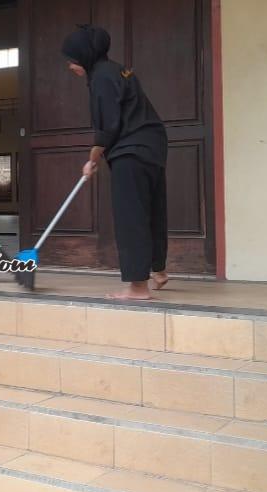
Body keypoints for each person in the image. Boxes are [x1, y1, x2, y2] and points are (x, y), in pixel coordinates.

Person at [62, 25, 169, 300]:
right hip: (152, 146)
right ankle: (158, 271)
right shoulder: (119, 69)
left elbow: (108, 126)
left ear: (85, 56)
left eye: (72, 60)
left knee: (130, 216)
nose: (70, 66)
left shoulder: (101, 78)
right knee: (152, 210)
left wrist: (93, 157)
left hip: (131, 150)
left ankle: (137, 288)